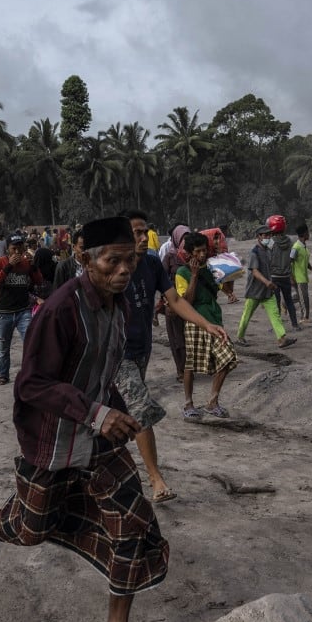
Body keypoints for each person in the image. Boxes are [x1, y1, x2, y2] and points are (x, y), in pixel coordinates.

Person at [0, 217, 168, 622]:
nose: (124, 271)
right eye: (113, 261)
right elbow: (31, 384)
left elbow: (102, 371)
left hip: (98, 439)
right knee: (30, 528)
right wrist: (97, 413)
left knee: (133, 523)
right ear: (85, 259)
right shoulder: (60, 309)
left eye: (130, 261)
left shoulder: (120, 305)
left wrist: (115, 412)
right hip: (54, 438)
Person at [120, 210, 228, 501]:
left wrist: (206, 324)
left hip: (142, 351)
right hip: (116, 355)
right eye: (136, 233)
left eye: (146, 231)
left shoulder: (153, 264)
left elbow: (175, 300)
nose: (144, 238)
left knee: (118, 413)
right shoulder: (113, 267)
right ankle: (156, 480)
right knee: (141, 409)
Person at [175, 231, 239, 421]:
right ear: (189, 253)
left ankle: (213, 400)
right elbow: (186, 301)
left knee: (228, 357)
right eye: (198, 252)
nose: (202, 255)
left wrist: (228, 268)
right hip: (195, 321)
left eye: (204, 250)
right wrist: (194, 276)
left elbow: (226, 288)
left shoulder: (211, 268)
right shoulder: (182, 273)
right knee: (191, 364)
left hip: (214, 319)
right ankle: (188, 403)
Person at [0, 234, 43, 385]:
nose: (17, 251)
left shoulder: (26, 263)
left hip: (23, 310)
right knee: (3, 347)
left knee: (31, 342)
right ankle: (3, 375)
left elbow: (38, 281)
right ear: (8, 249)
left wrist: (33, 266)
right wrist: (8, 266)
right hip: (4, 312)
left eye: (20, 247)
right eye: (14, 248)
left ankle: (33, 374)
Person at [235, 226, 296, 349]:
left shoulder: (268, 251)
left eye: (269, 235)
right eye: (265, 235)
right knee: (247, 315)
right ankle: (240, 337)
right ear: (259, 237)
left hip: (267, 291)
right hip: (255, 290)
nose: (268, 237)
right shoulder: (254, 252)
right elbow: (254, 271)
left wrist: (270, 282)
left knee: (275, 314)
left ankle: (281, 339)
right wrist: (267, 282)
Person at [160, 224, 192, 380]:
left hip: (189, 303)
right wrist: (166, 299)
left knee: (188, 337)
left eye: (188, 238)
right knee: (176, 338)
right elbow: (161, 280)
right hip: (172, 303)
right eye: (183, 239)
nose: (186, 242)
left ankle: (189, 368)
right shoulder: (170, 257)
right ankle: (181, 370)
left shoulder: (192, 256)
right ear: (177, 239)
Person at [266, 214, 302, 331]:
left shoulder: (270, 243)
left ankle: (276, 326)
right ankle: (295, 325)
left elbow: (267, 258)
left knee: (275, 304)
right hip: (286, 276)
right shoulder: (290, 241)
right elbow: (292, 258)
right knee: (289, 301)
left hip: (274, 277)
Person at [290, 223, 312, 323]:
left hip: (303, 277)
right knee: (303, 298)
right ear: (305, 234)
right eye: (308, 232)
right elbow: (290, 261)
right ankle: (304, 318)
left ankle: (284, 304)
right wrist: (291, 277)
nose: (309, 234)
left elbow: (304, 261)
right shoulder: (296, 247)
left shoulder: (304, 246)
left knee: (300, 297)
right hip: (298, 277)